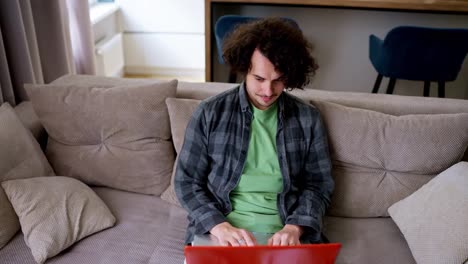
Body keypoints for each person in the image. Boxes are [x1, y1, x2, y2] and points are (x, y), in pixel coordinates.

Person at [174, 17, 334, 247]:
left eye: (278, 81)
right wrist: (218, 226)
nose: (268, 91)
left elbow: (319, 185)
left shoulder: (307, 118)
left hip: (285, 231)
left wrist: (295, 228)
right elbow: (186, 181)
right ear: (243, 69)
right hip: (222, 230)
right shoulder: (210, 112)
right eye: (259, 79)